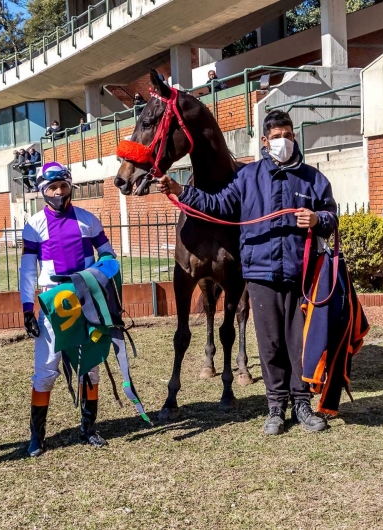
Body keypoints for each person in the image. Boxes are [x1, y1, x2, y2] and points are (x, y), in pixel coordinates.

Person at [158, 110, 338, 435]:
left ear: (294, 137)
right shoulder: (247, 177)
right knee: (270, 345)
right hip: (260, 275)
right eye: (277, 137)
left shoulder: (314, 179)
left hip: (301, 275)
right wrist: (182, 191)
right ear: (266, 141)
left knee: (297, 342)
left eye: (288, 135)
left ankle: (302, 404)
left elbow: (331, 216)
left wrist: (318, 220)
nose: (283, 142)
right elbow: (218, 204)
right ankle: (275, 408)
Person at [20, 161, 115, 455]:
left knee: (91, 367)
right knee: (45, 371)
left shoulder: (88, 220)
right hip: (52, 303)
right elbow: (27, 270)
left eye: (63, 186)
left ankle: (89, 428)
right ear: (42, 191)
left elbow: (110, 258)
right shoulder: (34, 225)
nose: (59, 192)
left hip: (85, 300)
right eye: (52, 188)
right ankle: (37, 436)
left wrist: (96, 276)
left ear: (70, 186)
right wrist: (27, 308)